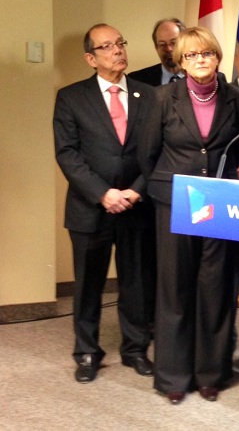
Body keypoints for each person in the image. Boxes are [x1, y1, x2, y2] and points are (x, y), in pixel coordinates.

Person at [138, 26, 239, 405]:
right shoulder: (162, 97)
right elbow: (147, 152)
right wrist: (159, 192)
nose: (200, 61)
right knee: (175, 289)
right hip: (175, 203)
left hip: (219, 203)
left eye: (207, 54)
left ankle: (211, 373)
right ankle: (172, 376)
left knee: (214, 287)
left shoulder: (234, 97)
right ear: (181, 63)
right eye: (191, 56)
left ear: (217, 57)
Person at [53, 23, 155, 383]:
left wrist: (136, 190)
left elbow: (154, 154)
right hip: (89, 208)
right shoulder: (71, 97)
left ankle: (135, 349)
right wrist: (103, 193)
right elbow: (67, 155)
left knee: (136, 283)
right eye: (107, 46)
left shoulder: (148, 95)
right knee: (88, 285)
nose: (118, 50)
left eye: (121, 43)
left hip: (136, 205)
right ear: (90, 58)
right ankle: (86, 352)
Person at [129, 18, 187, 86]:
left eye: (174, 43)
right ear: (156, 47)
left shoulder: (199, 78)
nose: (168, 49)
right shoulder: (136, 80)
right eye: (162, 44)